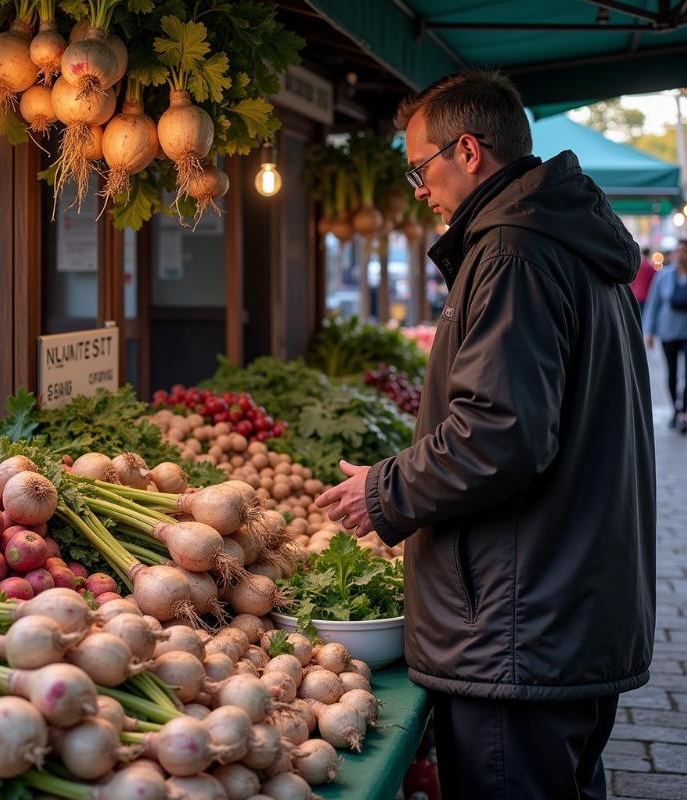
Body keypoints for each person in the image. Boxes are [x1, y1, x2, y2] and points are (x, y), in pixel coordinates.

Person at [316, 69, 655, 799]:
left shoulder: (512, 254)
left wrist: (383, 489)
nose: (417, 188)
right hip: (566, 609)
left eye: (419, 167)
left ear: (467, 151)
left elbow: (501, 435)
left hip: (518, 628)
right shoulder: (568, 241)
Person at [643, 238, 687, 431]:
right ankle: (675, 411)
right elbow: (654, 303)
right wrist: (649, 331)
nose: (682, 255)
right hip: (668, 331)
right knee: (672, 374)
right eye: (679, 251)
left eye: (685, 251)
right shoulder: (664, 276)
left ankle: (685, 411)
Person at [630, 246, 656, 312]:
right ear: (649, 254)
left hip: (635, 294)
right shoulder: (650, 267)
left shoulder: (637, 264)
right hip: (646, 296)